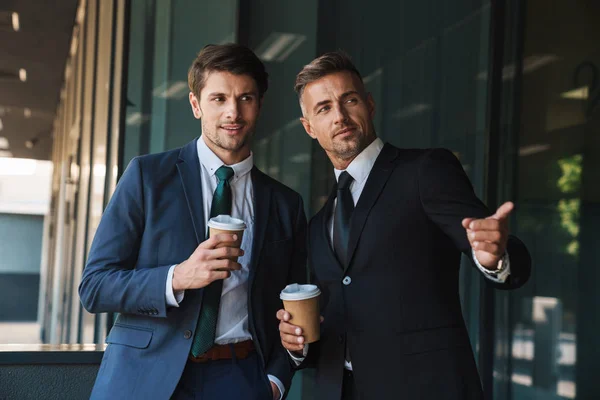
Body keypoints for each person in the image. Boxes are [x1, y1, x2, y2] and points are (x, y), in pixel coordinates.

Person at [276, 51, 531, 400]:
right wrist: (298, 347)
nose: (339, 116)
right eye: (323, 108)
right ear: (309, 127)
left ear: (369, 104)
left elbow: (491, 242)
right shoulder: (320, 224)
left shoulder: (424, 171)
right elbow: (336, 323)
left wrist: (495, 257)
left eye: (349, 100)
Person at [79, 43, 307, 400]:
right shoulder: (147, 176)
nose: (233, 112)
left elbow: (293, 302)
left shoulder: (285, 204)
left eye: (245, 98)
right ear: (195, 104)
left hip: (241, 378)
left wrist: (276, 381)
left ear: (259, 105)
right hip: (144, 377)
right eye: (218, 98)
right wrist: (178, 277)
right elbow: (94, 287)